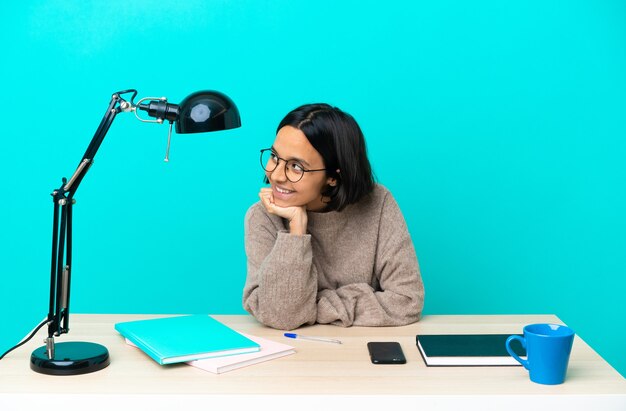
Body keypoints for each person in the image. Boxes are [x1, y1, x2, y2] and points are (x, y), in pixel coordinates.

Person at [242, 103, 424, 330]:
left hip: (363, 350)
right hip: (294, 355)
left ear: (333, 176)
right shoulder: (262, 217)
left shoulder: (378, 203)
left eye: (296, 167)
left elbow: (407, 301)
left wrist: (311, 306)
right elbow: (282, 316)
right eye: (275, 157)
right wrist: (296, 231)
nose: (277, 175)